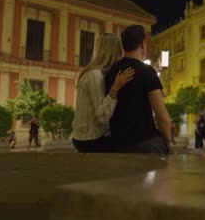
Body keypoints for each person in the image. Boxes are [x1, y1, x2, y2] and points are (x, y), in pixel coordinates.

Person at [104, 25, 173, 154]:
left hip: (118, 143)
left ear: (123, 45)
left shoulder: (111, 71)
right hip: (144, 142)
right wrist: (168, 141)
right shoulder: (147, 72)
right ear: (143, 44)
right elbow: (162, 117)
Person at [71, 33, 134, 153]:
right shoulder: (95, 75)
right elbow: (102, 117)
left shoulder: (94, 74)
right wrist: (115, 88)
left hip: (86, 138)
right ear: (114, 52)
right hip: (90, 139)